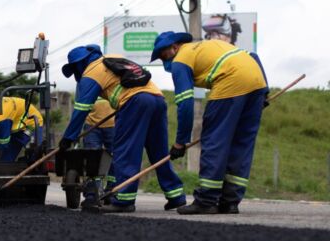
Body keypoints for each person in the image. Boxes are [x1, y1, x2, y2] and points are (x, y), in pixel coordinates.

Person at [151, 32, 268, 215]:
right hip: (257, 81)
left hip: (230, 80)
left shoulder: (180, 60)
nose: (165, 61)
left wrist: (181, 142)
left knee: (214, 141)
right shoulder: (210, 45)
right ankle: (230, 202)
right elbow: (253, 56)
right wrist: (264, 92)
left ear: (175, 47)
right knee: (241, 144)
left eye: (164, 55)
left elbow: (185, 103)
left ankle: (206, 200)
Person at [59, 45, 185, 213]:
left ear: (79, 64)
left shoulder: (90, 72)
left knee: (126, 151)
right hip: (157, 99)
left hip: (134, 103)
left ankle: (124, 200)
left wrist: (68, 138)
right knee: (158, 151)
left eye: (74, 69)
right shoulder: (113, 58)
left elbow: (82, 109)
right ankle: (176, 195)